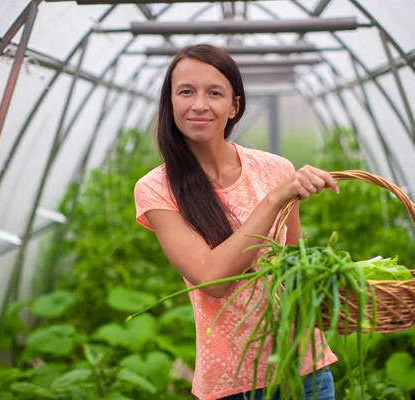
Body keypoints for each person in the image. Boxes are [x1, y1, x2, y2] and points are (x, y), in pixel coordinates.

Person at [134, 43, 338, 400]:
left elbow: (294, 268)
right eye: (186, 92)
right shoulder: (156, 188)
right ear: (171, 104)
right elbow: (212, 280)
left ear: (234, 107)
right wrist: (274, 199)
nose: (199, 104)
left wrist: (337, 286)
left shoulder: (276, 168)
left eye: (214, 93)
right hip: (234, 383)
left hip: (304, 369)